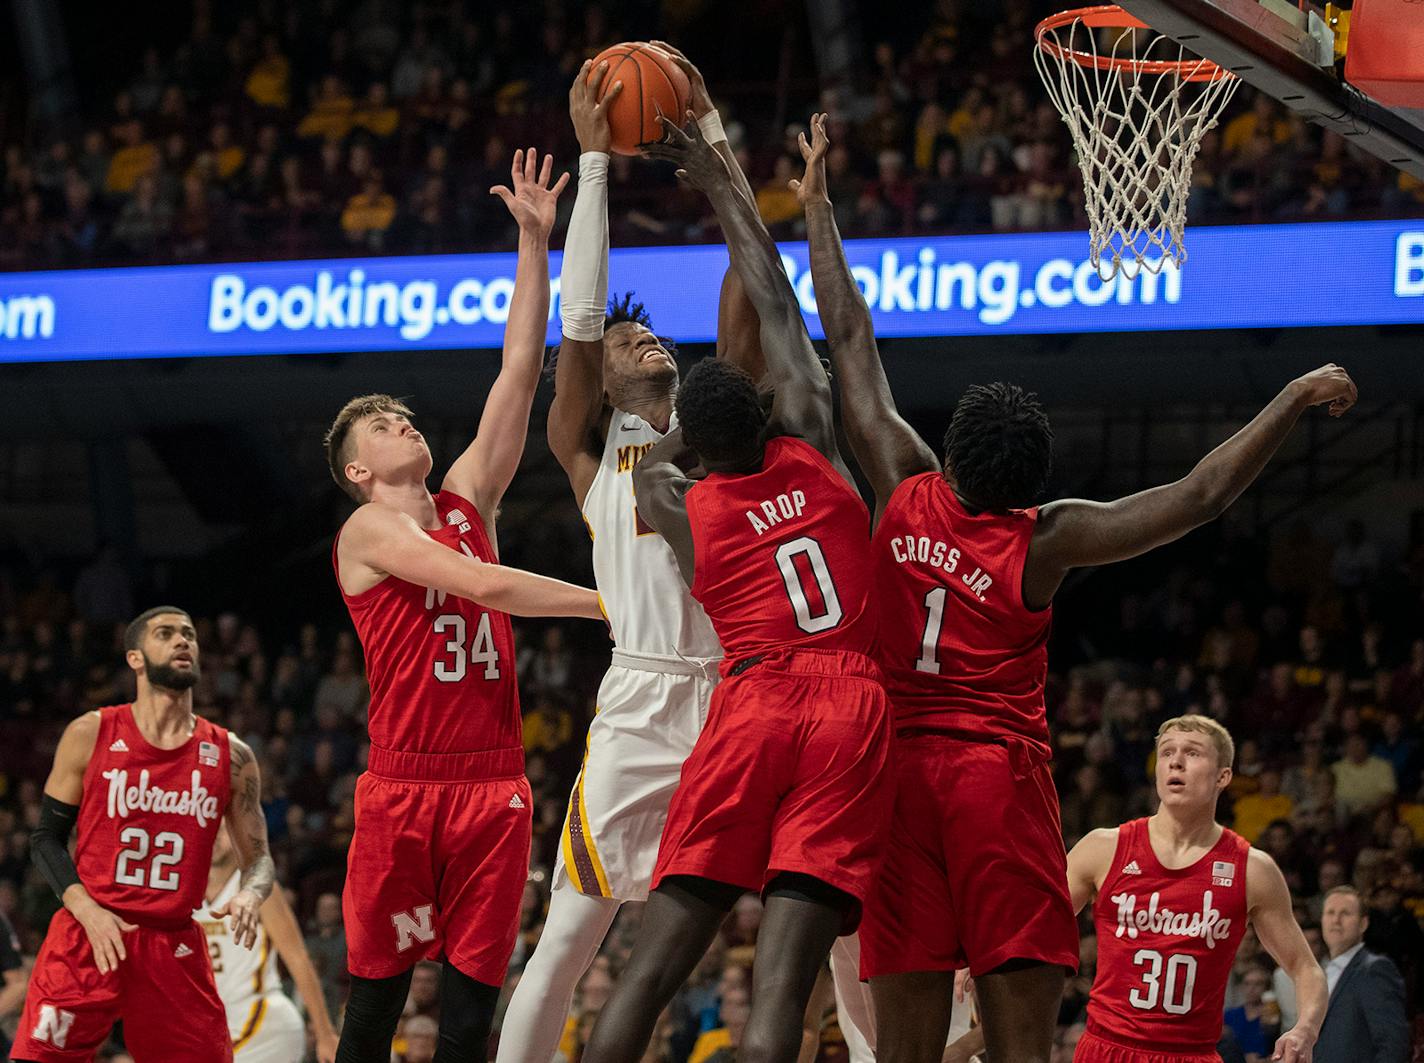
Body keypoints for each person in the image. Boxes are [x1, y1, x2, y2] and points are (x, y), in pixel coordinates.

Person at [789, 111, 1358, 1063]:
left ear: (953, 450)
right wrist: (1293, 396)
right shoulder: (1045, 539)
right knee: (1022, 1049)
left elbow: (847, 335)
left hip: (896, 778)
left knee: (905, 1052)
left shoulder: (901, 478)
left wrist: (815, 203)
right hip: (994, 787)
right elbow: (1200, 495)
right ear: (1033, 478)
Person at [580, 109, 893, 1063]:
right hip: (849, 703)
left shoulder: (681, 502)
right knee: (780, 992)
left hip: (751, 700)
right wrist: (727, 183)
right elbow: (780, 307)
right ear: (769, 414)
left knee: (651, 967)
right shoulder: (817, 453)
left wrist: (692, 437)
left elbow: (660, 466)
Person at [497, 46, 772, 1063]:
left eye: (646, 338)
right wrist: (596, 160)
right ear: (604, 381)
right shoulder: (585, 444)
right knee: (572, 928)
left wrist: (708, 140)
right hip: (643, 699)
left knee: (825, 906)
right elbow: (578, 319)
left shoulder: (720, 423)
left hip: (746, 692)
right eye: (622, 346)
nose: (638, 342)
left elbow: (752, 282)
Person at [324, 149, 605, 1062]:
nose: (402, 421)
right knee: (375, 1007)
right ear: (360, 468)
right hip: (406, 784)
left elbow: (519, 373)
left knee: (468, 1020)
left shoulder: (465, 499)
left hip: (493, 781)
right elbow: (485, 585)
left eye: (402, 414)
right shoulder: (368, 531)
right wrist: (613, 604)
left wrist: (534, 243)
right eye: (381, 425)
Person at [14, 606, 275, 1062]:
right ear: (135, 658)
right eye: (166, 633)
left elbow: (260, 860)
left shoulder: (231, 755)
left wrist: (251, 895)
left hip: (172, 943)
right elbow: (45, 839)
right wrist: (87, 910)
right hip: (90, 931)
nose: (182, 642)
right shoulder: (90, 733)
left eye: (190, 634)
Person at [1065, 717, 1327, 1063]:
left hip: (1190, 1054)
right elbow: (1033, 925)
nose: (1176, 761)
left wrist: (1305, 1029)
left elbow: (1305, 968)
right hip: (1107, 1049)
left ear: (1222, 776)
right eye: (1167, 752)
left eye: (1192, 753)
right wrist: (979, 956)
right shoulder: (1104, 847)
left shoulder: (1252, 869)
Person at [194, 825, 340, 1062]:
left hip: (265, 1022)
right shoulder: (183, 890)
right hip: (214, 1024)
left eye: (222, 831)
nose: (215, 838)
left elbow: (298, 957)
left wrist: (325, 1033)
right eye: (209, 829)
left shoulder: (259, 889)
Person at [1315, 886, 1410, 1063]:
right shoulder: (1321, 973)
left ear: (1363, 924)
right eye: (1330, 913)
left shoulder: (1375, 969)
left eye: (1345, 913)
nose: (1336, 920)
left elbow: (1393, 1044)